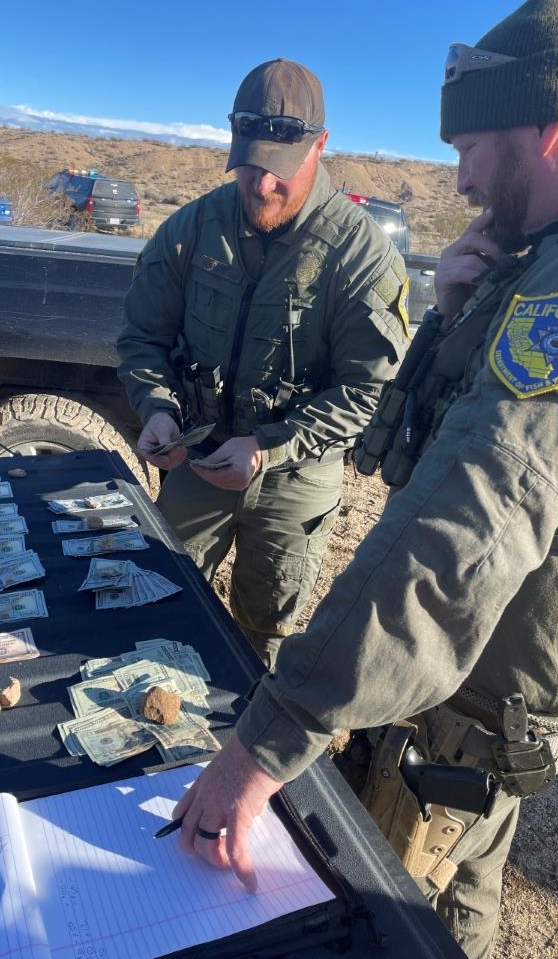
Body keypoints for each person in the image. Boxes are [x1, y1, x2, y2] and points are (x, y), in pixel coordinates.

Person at [171, 0, 558, 959]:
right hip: (467, 683)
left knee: (393, 921)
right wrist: (447, 318)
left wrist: (272, 735)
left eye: (475, 145)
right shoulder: (529, 266)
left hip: (474, 704)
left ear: (549, 130)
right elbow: (397, 458)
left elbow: (463, 525)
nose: (463, 174)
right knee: (456, 895)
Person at [117, 58, 409, 667]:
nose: (262, 187)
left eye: (279, 171)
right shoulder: (191, 229)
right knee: (157, 598)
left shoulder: (361, 256)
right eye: (249, 166)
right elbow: (143, 339)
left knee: (264, 627)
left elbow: (368, 391)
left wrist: (270, 447)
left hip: (294, 479)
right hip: (200, 460)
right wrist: (159, 409)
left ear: (320, 146)